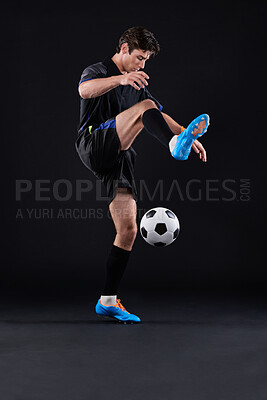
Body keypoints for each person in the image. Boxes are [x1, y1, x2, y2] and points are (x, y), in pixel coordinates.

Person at [76, 26, 210, 324]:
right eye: (139, 57)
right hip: (93, 143)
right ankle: (175, 147)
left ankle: (107, 301)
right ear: (124, 48)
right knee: (145, 106)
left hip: (119, 156)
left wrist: (187, 133)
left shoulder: (136, 83)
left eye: (147, 60)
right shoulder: (99, 70)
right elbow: (84, 90)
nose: (142, 65)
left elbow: (156, 114)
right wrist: (121, 78)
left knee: (128, 230)